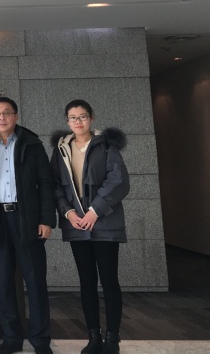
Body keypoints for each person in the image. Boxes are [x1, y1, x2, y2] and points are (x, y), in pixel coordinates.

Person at [0, 97, 55, 354]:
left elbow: (46, 183)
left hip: (27, 220)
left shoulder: (33, 145)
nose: (2, 117)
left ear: (16, 116)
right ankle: (11, 338)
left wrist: (47, 219)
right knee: (4, 283)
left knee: (35, 282)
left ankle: (41, 341)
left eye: (7, 112)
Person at [50, 100, 129, 354]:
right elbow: (55, 186)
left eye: (82, 116)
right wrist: (68, 212)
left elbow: (118, 181)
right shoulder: (61, 149)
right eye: (73, 117)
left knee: (109, 280)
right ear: (67, 121)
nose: (78, 122)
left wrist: (95, 211)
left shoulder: (106, 145)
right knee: (86, 282)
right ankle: (93, 337)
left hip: (104, 222)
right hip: (77, 225)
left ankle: (112, 339)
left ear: (91, 118)